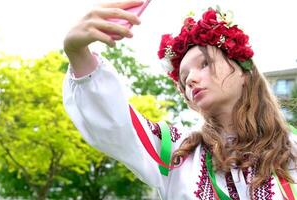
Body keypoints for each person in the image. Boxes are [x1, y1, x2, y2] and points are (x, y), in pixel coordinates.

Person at [62, 0, 297, 199]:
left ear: (244, 72)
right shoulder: (178, 152)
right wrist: (76, 52)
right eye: (184, 78)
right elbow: (117, 124)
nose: (192, 79)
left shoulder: (293, 149)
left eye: (205, 64)